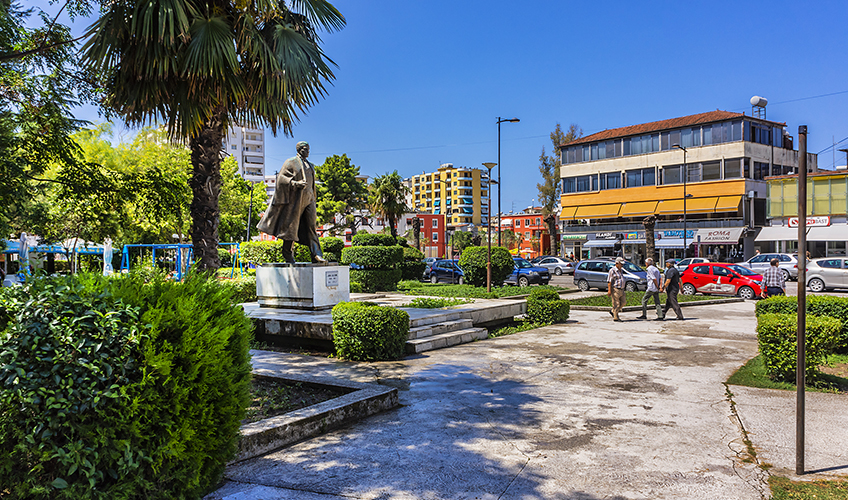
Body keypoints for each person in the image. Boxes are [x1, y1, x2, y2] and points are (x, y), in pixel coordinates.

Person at [257, 141, 325, 264]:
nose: (308, 151)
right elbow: (281, 180)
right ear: (299, 149)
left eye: (309, 148)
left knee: (311, 226)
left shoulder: (310, 165)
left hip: (309, 199)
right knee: (291, 229)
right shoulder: (291, 162)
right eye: (305, 148)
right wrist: (295, 184)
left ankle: (316, 255)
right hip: (296, 201)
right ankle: (287, 254)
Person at [607, 256, 626, 322]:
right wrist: (609, 290)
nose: (622, 265)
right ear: (617, 263)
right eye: (621, 264)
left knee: (623, 302)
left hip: (622, 289)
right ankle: (616, 317)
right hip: (615, 289)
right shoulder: (612, 271)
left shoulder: (621, 270)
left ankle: (613, 311)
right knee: (616, 304)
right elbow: (609, 281)